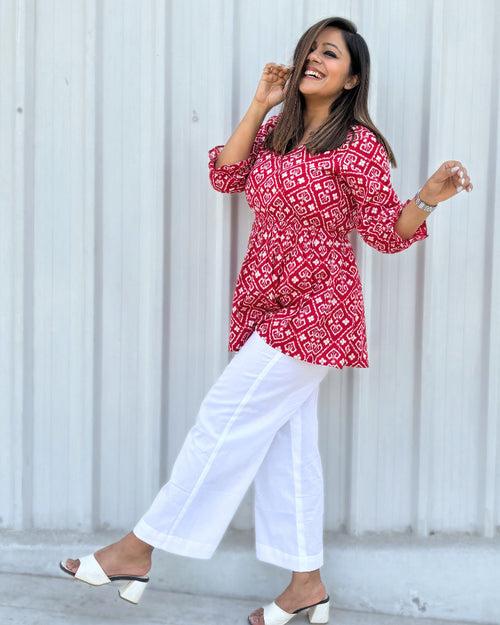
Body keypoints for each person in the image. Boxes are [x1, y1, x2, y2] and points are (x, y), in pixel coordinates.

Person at [59, 16, 473, 625]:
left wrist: (430, 194)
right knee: (289, 445)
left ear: (353, 75)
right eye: (309, 49)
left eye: (329, 53)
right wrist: (259, 104)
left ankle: (138, 549)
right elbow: (225, 173)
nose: (313, 59)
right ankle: (306, 582)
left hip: (318, 312)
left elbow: (386, 234)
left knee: (222, 422)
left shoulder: (356, 145)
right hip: (267, 304)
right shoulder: (278, 131)